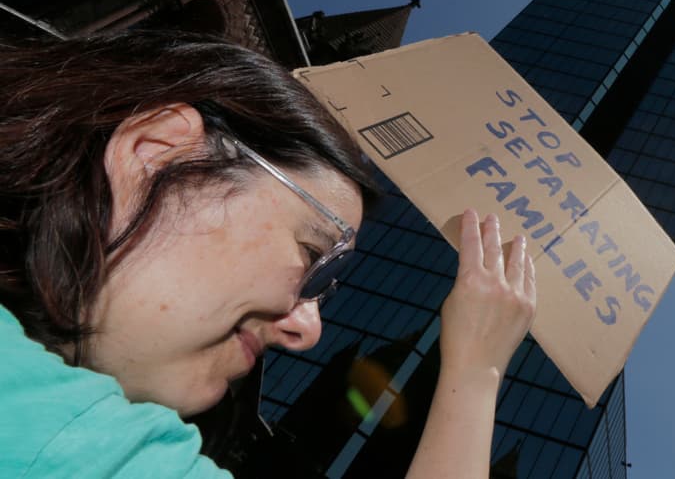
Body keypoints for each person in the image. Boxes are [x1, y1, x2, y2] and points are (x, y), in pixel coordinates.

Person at [0, 30, 536, 478]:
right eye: (311, 252)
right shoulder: (81, 447)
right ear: (157, 152)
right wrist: (478, 365)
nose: (308, 329)